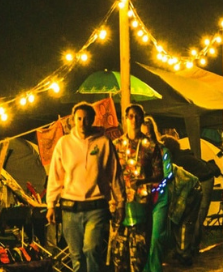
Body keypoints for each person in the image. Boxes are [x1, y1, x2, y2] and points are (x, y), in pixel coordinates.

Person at [46, 102, 119, 272]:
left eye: (86, 119)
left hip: (96, 206)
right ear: (73, 120)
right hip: (70, 208)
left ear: (93, 120)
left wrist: (119, 201)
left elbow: (114, 174)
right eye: (79, 119)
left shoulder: (103, 142)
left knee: (91, 248)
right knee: (76, 255)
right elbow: (55, 176)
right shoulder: (64, 144)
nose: (82, 123)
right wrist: (51, 204)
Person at [110, 104, 164, 272]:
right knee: (119, 259)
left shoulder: (150, 146)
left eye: (137, 116)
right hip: (119, 206)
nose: (134, 119)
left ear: (142, 118)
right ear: (125, 119)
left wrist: (141, 181)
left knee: (138, 257)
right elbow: (108, 173)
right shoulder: (116, 145)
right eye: (130, 116)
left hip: (140, 205)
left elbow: (159, 174)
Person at [160, 137, 218, 264]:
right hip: (196, 182)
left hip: (204, 180)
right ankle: (185, 249)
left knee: (197, 216)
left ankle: (191, 249)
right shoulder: (177, 158)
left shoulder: (179, 160)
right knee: (189, 218)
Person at [141, 116, 175, 272]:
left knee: (155, 237)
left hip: (159, 197)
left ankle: (154, 269)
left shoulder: (163, 151)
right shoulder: (135, 152)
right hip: (140, 199)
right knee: (142, 238)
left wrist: (155, 184)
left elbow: (169, 174)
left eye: (147, 135)